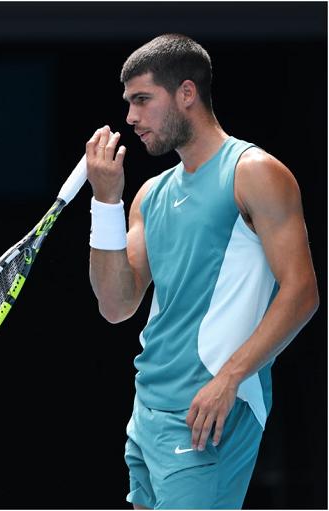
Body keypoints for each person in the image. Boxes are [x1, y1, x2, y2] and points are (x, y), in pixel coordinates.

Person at [85, 34, 318, 509]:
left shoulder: (254, 172)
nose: (130, 118)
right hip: (147, 411)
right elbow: (115, 304)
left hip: (208, 411)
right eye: (129, 103)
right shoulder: (150, 195)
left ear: (186, 94)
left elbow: (302, 293)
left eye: (142, 100)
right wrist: (106, 201)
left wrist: (230, 378)